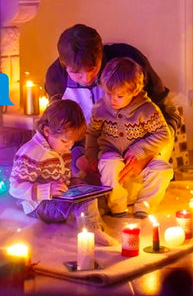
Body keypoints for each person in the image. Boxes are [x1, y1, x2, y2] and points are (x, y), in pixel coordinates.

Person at [45, 23, 181, 183]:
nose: (87, 79)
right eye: (76, 74)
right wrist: (79, 158)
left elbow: (169, 115)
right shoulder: (56, 78)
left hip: (142, 143)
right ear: (63, 64)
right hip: (91, 147)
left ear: (101, 55)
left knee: (142, 185)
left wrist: (146, 155)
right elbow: (57, 129)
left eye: (93, 69)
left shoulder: (130, 62)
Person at [9, 99, 117, 246]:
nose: (69, 146)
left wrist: (77, 183)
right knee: (83, 201)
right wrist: (47, 189)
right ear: (47, 131)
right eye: (65, 141)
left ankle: (86, 214)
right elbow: (15, 188)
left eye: (72, 142)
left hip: (60, 194)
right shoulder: (30, 153)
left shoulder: (62, 147)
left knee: (86, 190)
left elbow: (64, 175)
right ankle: (91, 229)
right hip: (39, 204)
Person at [86, 57, 173, 218]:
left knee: (163, 170)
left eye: (119, 96)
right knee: (109, 164)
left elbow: (163, 135)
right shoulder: (100, 108)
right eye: (108, 93)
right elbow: (92, 133)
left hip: (141, 159)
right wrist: (91, 157)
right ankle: (117, 206)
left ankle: (144, 205)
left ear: (134, 91)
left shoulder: (147, 110)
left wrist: (139, 149)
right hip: (111, 153)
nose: (112, 100)